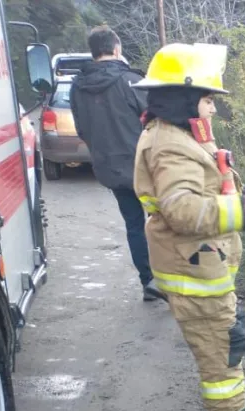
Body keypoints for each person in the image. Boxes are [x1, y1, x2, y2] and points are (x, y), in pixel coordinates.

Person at [131, 43, 245, 411]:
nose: (212, 109)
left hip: (202, 265)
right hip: (193, 268)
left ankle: (236, 401)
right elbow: (182, 209)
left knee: (228, 334)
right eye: (208, 99)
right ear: (184, 97)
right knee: (218, 343)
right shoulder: (170, 145)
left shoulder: (177, 135)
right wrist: (242, 211)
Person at [70, 25, 166, 303]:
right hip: (145, 166)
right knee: (161, 220)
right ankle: (170, 277)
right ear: (116, 48)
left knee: (134, 224)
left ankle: (148, 281)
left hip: (110, 169)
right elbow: (155, 119)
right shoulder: (130, 80)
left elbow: (81, 129)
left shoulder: (78, 86)